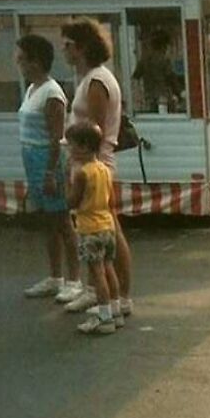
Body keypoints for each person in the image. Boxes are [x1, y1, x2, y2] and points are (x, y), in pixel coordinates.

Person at [61, 17, 133, 317]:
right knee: (97, 229)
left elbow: (96, 130)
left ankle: (121, 294)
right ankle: (100, 291)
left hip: (94, 164)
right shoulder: (92, 78)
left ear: (81, 48)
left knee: (107, 229)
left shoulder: (96, 81)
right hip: (88, 163)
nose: (63, 52)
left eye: (67, 46)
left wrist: (82, 163)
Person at [15, 34, 83, 303]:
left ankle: (74, 280)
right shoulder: (32, 89)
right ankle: (55, 277)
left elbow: (57, 137)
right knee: (47, 221)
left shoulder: (52, 93)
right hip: (32, 158)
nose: (18, 64)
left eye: (22, 59)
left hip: (48, 160)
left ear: (36, 61)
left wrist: (50, 173)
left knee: (63, 221)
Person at [65, 121, 123, 335]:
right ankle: (115, 311)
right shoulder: (105, 170)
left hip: (89, 228)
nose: (69, 151)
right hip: (107, 224)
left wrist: (66, 182)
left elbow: (72, 201)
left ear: (84, 147)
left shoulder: (82, 173)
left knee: (96, 273)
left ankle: (104, 316)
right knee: (108, 268)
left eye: (71, 146)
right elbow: (111, 201)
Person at [132, 28, 180, 113]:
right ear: (164, 46)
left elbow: (135, 77)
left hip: (148, 98)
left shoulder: (144, 60)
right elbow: (171, 78)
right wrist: (179, 93)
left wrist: (138, 96)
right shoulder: (164, 60)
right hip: (163, 98)